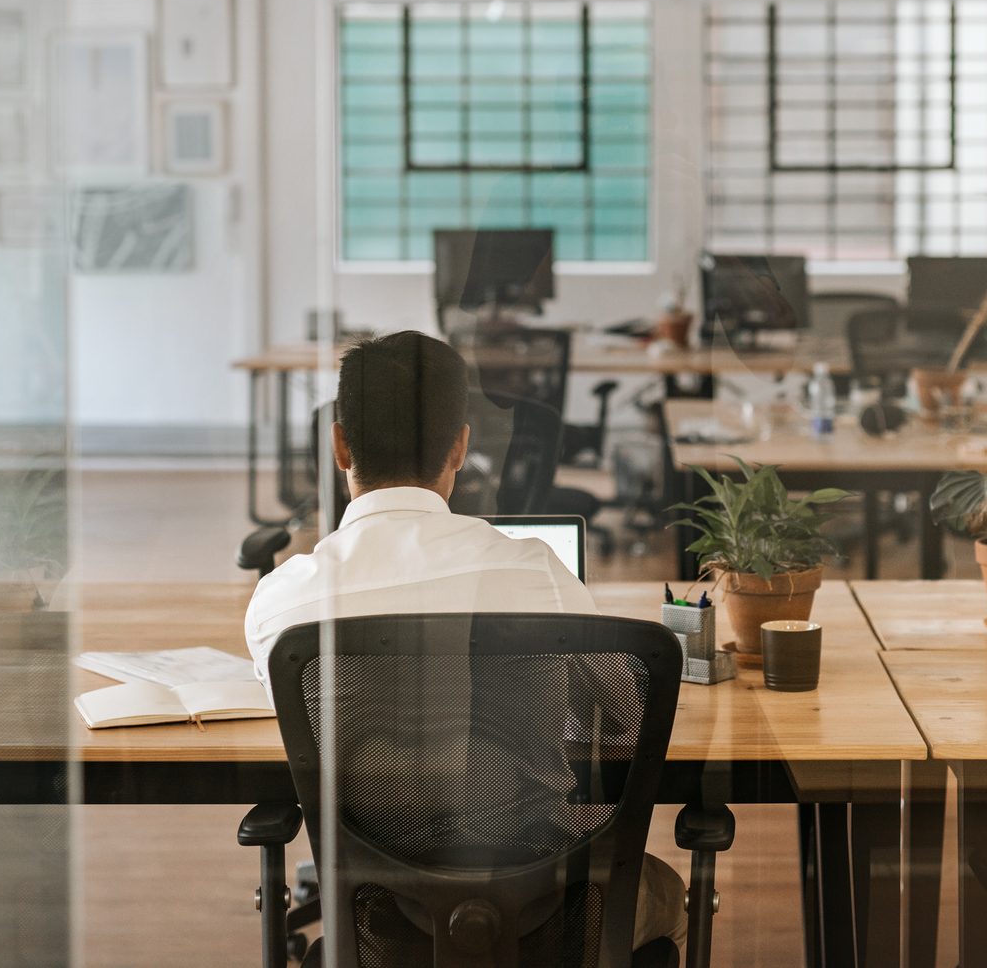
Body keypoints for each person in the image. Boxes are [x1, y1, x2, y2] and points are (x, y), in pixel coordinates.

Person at [245, 330, 686, 954]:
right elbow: (619, 714)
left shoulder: (285, 603)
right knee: (666, 891)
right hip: (544, 910)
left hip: (380, 922)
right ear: (460, 446)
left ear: (340, 445)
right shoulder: (536, 572)